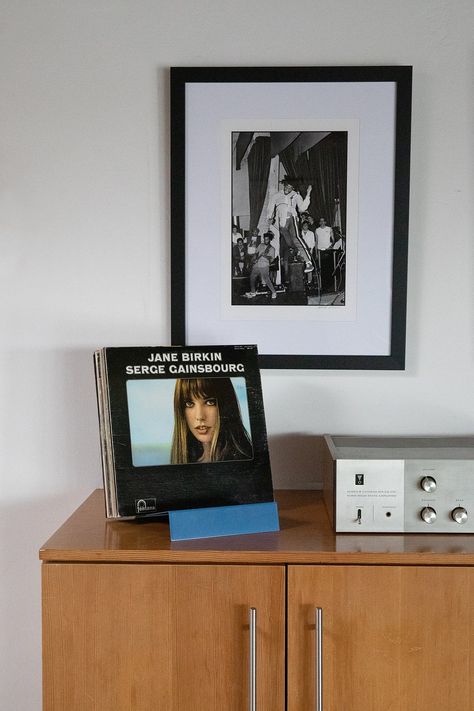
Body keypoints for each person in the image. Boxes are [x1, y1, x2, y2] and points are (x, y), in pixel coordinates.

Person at [170, 378, 253, 464]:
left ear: (226, 405)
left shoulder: (245, 462)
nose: (200, 416)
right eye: (189, 404)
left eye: (210, 402)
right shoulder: (184, 463)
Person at [267, 177, 313, 276]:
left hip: (291, 218)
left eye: (291, 187)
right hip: (281, 222)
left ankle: (308, 262)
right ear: (284, 185)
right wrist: (269, 217)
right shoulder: (276, 195)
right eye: (287, 186)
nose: (289, 189)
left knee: (296, 238)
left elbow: (302, 208)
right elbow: (270, 207)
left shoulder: (295, 195)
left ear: (293, 188)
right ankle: (297, 251)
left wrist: (308, 193)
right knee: (290, 244)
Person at [245, 231, 277, 299]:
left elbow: (271, 259)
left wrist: (265, 256)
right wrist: (254, 259)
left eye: (267, 239)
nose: (265, 240)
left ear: (270, 240)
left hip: (264, 265)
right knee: (252, 277)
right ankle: (253, 292)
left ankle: (274, 292)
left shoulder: (272, 249)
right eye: (265, 239)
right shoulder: (260, 245)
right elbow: (256, 253)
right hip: (257, 264)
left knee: (266, 279)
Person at [315, 217, 334, 291]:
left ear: (325, 222)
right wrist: (316, 253)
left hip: (328, 251)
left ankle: (330, 286)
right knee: (322, 269)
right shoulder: (317, 230)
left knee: (329, 268)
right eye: (320, 221)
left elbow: (333, 240)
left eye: (323, 221)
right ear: (319, 223)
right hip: (320, 251)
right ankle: (323, 287)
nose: (322, 222)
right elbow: (316, 242)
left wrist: (331, 246)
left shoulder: (329, 229)